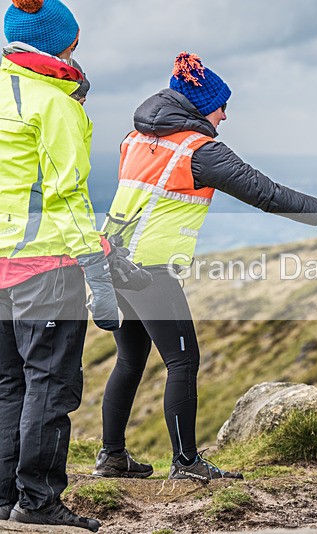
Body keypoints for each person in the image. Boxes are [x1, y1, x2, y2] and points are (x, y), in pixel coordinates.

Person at [92, 52, 317, 482]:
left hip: (113, 261)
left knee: (130, 360)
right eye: (221, 105)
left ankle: (112, 455)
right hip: (150, 269)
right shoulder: (199, 150)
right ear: (199, 105)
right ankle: (186, 463)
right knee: (183, 361)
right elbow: (265, 193)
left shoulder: (133, 139)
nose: (225, 115)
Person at [0, 0, 118, 531]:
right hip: (44, 264)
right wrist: (97, 275)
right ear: (60, 44)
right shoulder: (54, 104)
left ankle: (5, 498)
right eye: (74, 40)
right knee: (51, 383)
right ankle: (40, 501)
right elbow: (67, 198)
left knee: (8, 383)